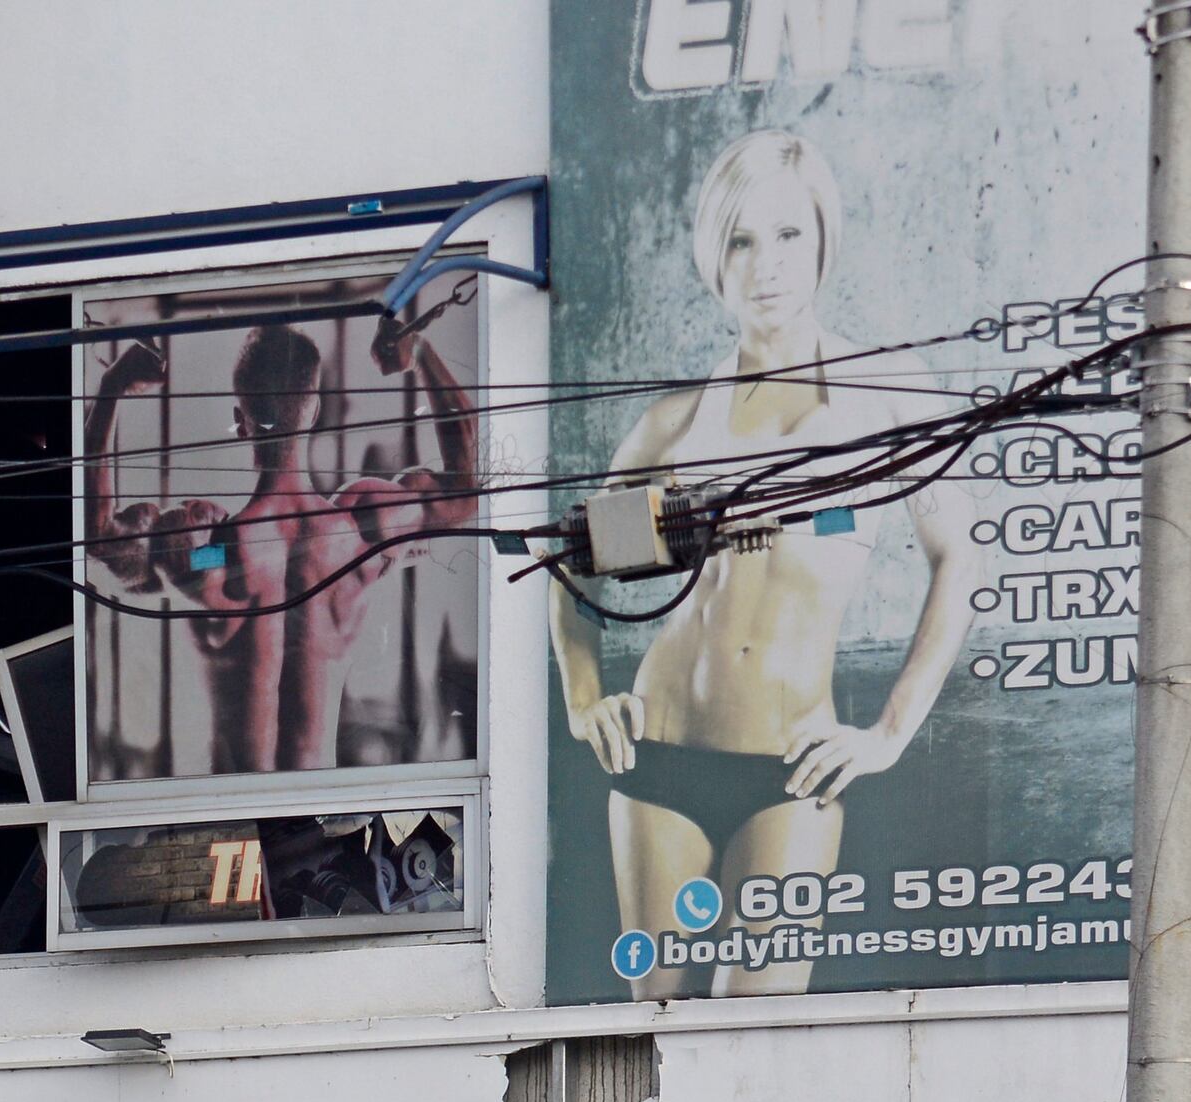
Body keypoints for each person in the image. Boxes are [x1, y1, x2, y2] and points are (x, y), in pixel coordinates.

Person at [553, 124, 986, 996]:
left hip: (791, 770)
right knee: (661, 1038)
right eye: (742, 241)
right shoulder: (680, 424)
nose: (767, 266)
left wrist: (891, 732)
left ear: (823, 237)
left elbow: (959, 559)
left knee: (758, 1045)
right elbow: (572, 562)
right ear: (717, 258)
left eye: (788, 235)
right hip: (661, 758)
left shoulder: (881, 400)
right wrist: (585, 697)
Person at [84, 304, 482, 776]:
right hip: (316, 808)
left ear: (242, 419)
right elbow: (463, 487)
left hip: (234, 814)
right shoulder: (360, 534)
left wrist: (113, 387)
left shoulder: (207, 554)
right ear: (314, 409)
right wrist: (420, 353)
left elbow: (102, 536)